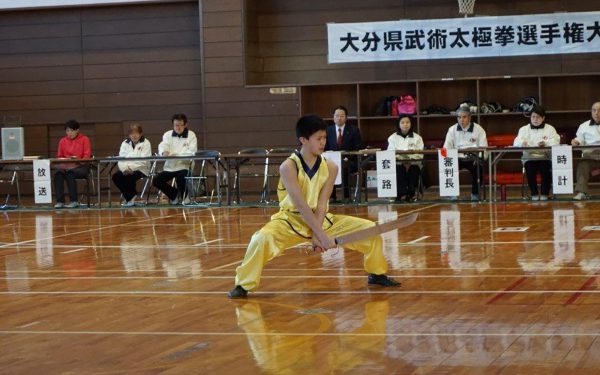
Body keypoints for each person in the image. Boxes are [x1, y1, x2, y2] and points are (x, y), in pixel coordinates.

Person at [228, 115, 400, 298]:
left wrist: (319, 235)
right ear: (303, 140)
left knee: (370, 230)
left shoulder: (331, 167)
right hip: (290, 220)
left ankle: (376, 273)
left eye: (325, 138)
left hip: (321, 219)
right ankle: (243, 285)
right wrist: (322, 236)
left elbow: (321, 203)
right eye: (318, 138)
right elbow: (301, 205)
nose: (323, 142)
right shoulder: (288, 167)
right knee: (260, 239)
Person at [513, 105, 560, 201]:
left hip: (545, 156)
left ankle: (544, 194)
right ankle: (534, 194)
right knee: (530, 169)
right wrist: (522, 143)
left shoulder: (550, 129)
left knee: (546, 169)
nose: (535, 119)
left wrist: (546, 143)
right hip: (529, 157)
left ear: (543, 118)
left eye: (538, 117)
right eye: (533, 117)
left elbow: (556, 141)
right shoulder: (523, 129)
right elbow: (515, 142)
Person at [443, 105, 488, 201]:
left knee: (478, 168)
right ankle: (452, 194)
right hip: (457, 158)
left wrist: (479, 157)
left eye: (464, 117)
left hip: (473, 158)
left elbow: (484, 148)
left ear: (470, 117)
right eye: (459, 117)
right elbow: (446, 148)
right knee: (448, 165)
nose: (461, 120)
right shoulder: (452, 129)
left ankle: (475, 194)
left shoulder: (479, 129)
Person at [153, 113, 197, 205]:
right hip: (170, 166)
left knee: (181, 176)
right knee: (156, 180)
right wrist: (163, 152)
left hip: (185, 165)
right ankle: (173, 194)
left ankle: (185, 196)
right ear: (173, 125)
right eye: (176, 125)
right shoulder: (167, 134)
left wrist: (177, 155)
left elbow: (191, 152)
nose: (178, 128)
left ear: (185, 125)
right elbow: (163, 145)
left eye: (181, 125)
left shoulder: (191, 135)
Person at [325, 106, 363, 202]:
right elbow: (325, 147)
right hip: (332, 160)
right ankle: (332, 196)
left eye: (342, 116)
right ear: (333, 117)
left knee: (345, 167)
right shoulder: (327, 130)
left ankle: (346, 196)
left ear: (346, 117)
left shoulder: (354, 130)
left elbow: (358, 147)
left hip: (349, 160)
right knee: (328, 168)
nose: (339, 118)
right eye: (337, 115)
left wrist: (348, 157)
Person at [54, 120, 92, 209]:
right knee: (58, 174)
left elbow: (87, 156)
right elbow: (59, 156)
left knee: (70, 173)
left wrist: (77, 160)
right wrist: (64, 162)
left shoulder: (84, 139)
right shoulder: (62, 141)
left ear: (77, 130)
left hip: (81, 166)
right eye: (67, 131)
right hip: (66, 166)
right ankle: (60, 201)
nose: (69, 133)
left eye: (71, 130)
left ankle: (74, 201)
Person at [112, 123, 152, 207]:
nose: (134, 136)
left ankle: (130, 199)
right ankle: (131, 197)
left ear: (140, 134)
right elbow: (121, 159)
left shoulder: (146, 143)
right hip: (126, 169)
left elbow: (143, 161)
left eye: (136, 133)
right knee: (116, 176)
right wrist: (124, 169)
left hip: (142, 169)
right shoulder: (125, 143)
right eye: (132, 133)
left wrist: (130, 168)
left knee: (130, 177)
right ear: (129, 135)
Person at [387, 115, 424, 202]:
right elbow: (390, 154)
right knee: (398, 170)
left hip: (413, 164)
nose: (405, 125)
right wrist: (403, 161)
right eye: (402, 122)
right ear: (398, 124)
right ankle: (401, 194)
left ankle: (411, 193)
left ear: (411, 124)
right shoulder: (392, 138)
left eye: (407, 122)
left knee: (414, 170)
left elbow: (420, 155)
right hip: (398, 164)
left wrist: (409, 161)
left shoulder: (417, 138)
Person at [571, 101, 600, 200]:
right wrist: (576, 142)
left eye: (599, 111)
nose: (597, 113)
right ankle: (581, 192)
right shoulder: (584, 126)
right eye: (594, 110)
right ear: (591, 112)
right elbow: (579, 139)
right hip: (590, 157)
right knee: (583, 165)